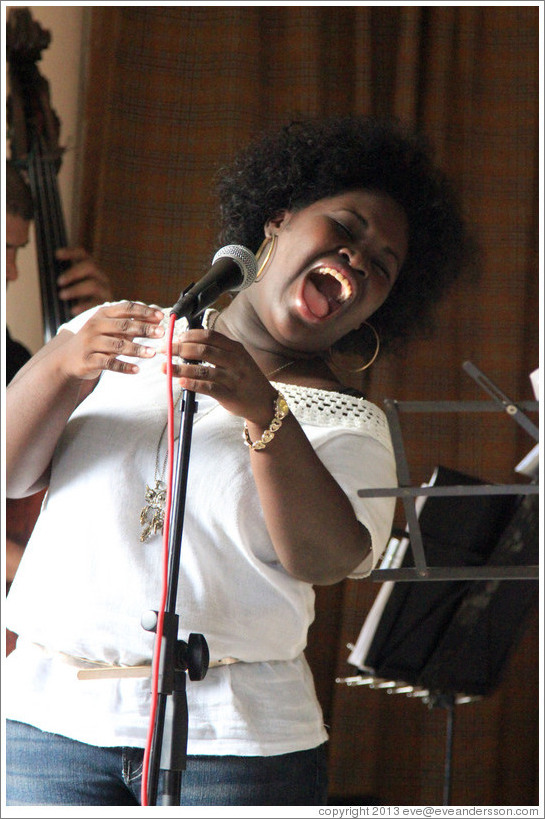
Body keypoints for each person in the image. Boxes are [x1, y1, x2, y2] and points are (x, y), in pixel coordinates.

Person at [4, 115, 475, 807]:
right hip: (46, 728)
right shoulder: (110, 336)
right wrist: (63, 361)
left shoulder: (350, 422)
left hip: (234, 746)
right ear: (277, 220)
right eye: (343, 229)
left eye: (379, 266)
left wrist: (264, 409)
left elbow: (323, 558)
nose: (355, 259)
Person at [5, 159, 113, 602]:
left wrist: (96, 337)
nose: (11, 271)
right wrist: (61, 572)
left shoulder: (13, 361)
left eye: (15, 250)